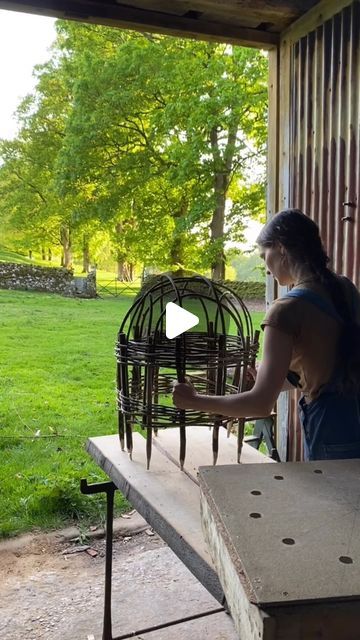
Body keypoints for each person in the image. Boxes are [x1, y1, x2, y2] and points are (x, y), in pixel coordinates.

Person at [172, 209, 360, 461]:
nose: (267, 268)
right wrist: (272, 379)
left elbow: (259, 404)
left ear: (281, 248)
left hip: (331, 436)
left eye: (264, 256)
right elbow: (330, 367)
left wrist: (193, 401)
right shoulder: (346, 288)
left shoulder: (285, 311)